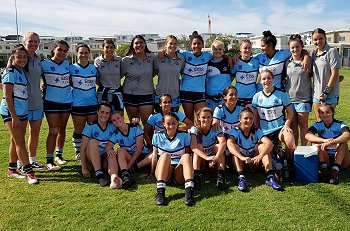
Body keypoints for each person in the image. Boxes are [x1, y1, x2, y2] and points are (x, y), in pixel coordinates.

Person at [0, 44, 38, 184]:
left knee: (15, 141)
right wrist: (14, 117)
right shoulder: (10, 72)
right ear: (13, 57)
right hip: (12, 113)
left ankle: (12, 170)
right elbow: (8, 96)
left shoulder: (21, 71)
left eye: (24, 57)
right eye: (19, 57)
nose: (22, 59)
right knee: (20, 142)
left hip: (21, 111)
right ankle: (30, 173)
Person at [227, 107, 281, 191]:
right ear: (240, 119)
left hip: (253, 162)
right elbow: (229, 143)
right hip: (241, 162)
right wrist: (241, 157)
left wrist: (260, 156)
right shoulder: (235, 130)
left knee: (263, 147)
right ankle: (241, 178)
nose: (248, 121)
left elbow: (269, 144)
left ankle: (270, 177)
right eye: (246, 118)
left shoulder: (256, 130)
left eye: (251, 118)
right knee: (235, 147)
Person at [151, 113, 195, 206]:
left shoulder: (184, 136)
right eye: (168, 123)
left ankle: (189, 191)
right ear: (163, 124)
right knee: (165, 155)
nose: (171, 126)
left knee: (187, 156)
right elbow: (154, 156)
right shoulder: (157, 136)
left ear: (178, 123)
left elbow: (187, 154)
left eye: (174, 123)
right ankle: (160, 192)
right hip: (163, 172)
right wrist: (152, 172)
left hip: (178, 173)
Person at [41, 40, 72, 170]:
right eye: (59, 49)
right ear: (53, 49)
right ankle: (49, 160)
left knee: (62, 128)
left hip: (66, 101)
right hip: (51, 102)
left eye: (65, 51)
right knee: (53, 130)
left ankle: (59, 155)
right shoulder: (44, 64)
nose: (62, 53)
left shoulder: (67, 64)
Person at [251, 70, 296, 159]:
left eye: (269, 78)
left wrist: (286, 126)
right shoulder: (256, 96)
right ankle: (276, 157)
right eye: (263, 79)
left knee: (290, 142)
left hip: (280, 128)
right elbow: (255, 115)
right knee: (268, 154)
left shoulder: (282, 94)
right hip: (265, 131)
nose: (266, 81)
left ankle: (289, 162)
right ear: (260, 81)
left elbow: (290, 112)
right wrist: (256, 128)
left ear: (273, 79)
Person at [80, 102, 122, 189]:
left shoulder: (112, 126)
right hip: (91, 162)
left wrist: (134, 123)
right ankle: (99, 176)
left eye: (107, 113)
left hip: (104, 160)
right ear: (97, 112)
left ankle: (114, 178)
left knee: (111, 152)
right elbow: (83, 148)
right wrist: (84, 167)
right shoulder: (90, 126)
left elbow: (125, 129)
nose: (104, 115)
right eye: (102, 112)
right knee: (93, 142)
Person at [305, 104, 350, 184]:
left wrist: (332, 142)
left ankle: (335, 172)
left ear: (333, 112)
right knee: (315, 142)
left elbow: (347, 135)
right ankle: (324, 170)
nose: (325, 114)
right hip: (325, 157)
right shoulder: (317, 125)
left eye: (327, 112)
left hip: (340, 158)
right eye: (322, 113)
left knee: (343, 143)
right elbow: (307, 135)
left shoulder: (340, 124)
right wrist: (324, 141)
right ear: (319, 114)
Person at [105, 112, 151, 187]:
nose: (117, 121)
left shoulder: (135, 127)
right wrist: (109, 150)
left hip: (143, 156)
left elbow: (139, 149)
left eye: (118, 118)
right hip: (130, 158)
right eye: (114, 120)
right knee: (120, 150)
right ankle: (125, 177)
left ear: (122, 117)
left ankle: (133, 168)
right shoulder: (116, 134)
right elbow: (107, 148)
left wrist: (129, 165)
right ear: (112, 123)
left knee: (154, 153)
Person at [20, 32, 45, 169]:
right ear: (25, 42)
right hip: (22, 103)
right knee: (19, 136)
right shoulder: (19, 57)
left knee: (35, 132)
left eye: (36, 41)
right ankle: (20, 163)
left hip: (37, 102)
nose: (33, 44)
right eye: (30, 41)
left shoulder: (38, 58)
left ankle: (32, 160)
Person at [70, 44, 99, 161]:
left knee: (91, 130)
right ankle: (78, 152)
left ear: (89, 54)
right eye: (81, 52)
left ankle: (89, 150)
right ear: (77, 54)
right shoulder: (71, 68)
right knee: (79, 130)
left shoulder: (94, 68)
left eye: (86, 53)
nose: (83, 55)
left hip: (92, 103)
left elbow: (99, 83)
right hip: (77, 104)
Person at [284, 34, 312, 146]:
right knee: (293, 125)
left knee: (303, 125)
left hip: (304, 99)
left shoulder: (308, 62)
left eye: (297, 47)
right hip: (289, 99)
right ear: (290, 49)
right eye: (292, 47)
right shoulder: (287, 62)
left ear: (302, 47)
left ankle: (304, 149)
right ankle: (294, 150)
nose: (295, 49)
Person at [121, 35, 155, 126]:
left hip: (147, 94)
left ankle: (149, 141)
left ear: (145, 44)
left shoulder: (153, 58)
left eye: (141, 42)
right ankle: (138, 140)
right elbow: (118, 77)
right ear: (132, 45)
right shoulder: (126, 60)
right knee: (134, 124)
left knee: (148, 124)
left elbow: (158, 71)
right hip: (130, 95)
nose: (139, 45)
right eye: (136, 43)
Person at [190, 107, 227, 190]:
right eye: (203, 117)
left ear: (212, 118)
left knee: (218, 146)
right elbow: (193, 147)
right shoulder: (194, 129)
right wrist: (206, 157)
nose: (206, 120)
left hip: (213, 161)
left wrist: (216, 157)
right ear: (199, 118)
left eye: (208, 117)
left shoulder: (216, 128)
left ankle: (221, 175)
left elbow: (223, 142)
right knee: (199, 146)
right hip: (202, 160)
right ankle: (196, 176)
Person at [179, 31, 213, 122]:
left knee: (201, 119)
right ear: (191, 45)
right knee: (189, 120)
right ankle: (191, 136)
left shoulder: (208, 56)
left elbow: (220, 55)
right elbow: (171, 51)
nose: (197, 46)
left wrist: (232, 58)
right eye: (194, 44)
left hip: (200, 92)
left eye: (199, 44)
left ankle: (200, 136)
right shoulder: (185, 54)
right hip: (186, 91)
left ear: (202, 45)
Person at [311, 28, 341, 121]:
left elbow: (335, 73)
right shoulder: (313, 53)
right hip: (316, 95)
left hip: (329, 95)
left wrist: (325, 93)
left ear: (325, 38)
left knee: (327, 122)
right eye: (315, 39)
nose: (318, 41)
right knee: (319, 122)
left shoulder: (332, 51)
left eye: (320, 38)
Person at [154, 35, 185, 112]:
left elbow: (184, 74)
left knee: (173, 122)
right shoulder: (158, 58)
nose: (173, 46)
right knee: (160, 122)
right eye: (170, 43)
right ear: (166, 44)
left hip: (174, 96)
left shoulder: (181, 58)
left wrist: (181, 80)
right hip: (160, 95)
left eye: (175, 44)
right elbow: (152, 73)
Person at [94, 39, 124, 114]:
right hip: (103, 94)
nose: (109, 49)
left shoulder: (119, 60)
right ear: (103, 49)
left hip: (117, 94)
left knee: (118, 119)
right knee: (103, 118)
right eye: (107, 47)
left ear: (114, 48)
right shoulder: (97, 61)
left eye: (111, 47)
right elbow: (96, 78)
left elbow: (122, 74)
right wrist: (104, 86)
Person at [231, 39, 259, 107]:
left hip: (252, 97)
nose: (247, 50)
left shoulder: (256, 61)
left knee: (251, 117)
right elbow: (230, 79)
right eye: (245, 48)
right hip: (238, 96)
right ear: (240, 49)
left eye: (249, 48)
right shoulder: (235, 62)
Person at [206, 39, 232, 110]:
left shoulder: (228, 62)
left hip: (224, 96)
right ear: (212, 50)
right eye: (215, 49)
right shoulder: (208, 63)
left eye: (220, 49)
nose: (218, 51)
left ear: (223, 50)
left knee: (224, 118)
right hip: (210, 95)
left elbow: (233, 75)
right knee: (211, 117)